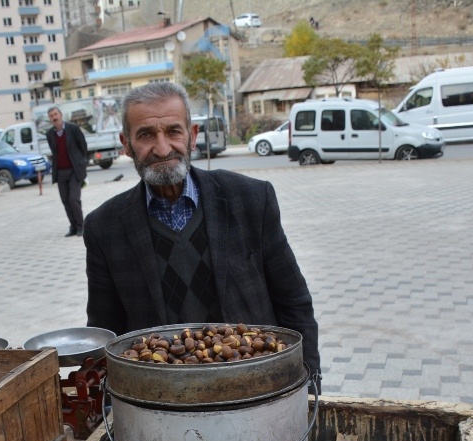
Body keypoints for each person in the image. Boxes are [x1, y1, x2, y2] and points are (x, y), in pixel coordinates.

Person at [83, 82, 320, 374]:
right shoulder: (104, 227)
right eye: (145, 135)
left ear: (192, 136)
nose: (162, 148)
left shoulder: (251, 200)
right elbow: (106, 332)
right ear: (126, 145)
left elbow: (294, 303)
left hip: (253, 388)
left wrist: (307, 389)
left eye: (173, 131)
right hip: (161, 400)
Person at [45, 106, 88, 237]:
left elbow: (83, 146)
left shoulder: (73, 129)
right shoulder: (49, 134)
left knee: (74, 199)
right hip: (60, 172)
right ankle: (73, 227)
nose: (54, 117)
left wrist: (82, 163)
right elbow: (54, 152)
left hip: (74, 170)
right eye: (51, 115)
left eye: (55, 114)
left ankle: (81, 226)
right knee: (65, 200)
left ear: (61, 115)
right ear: (50, 118)